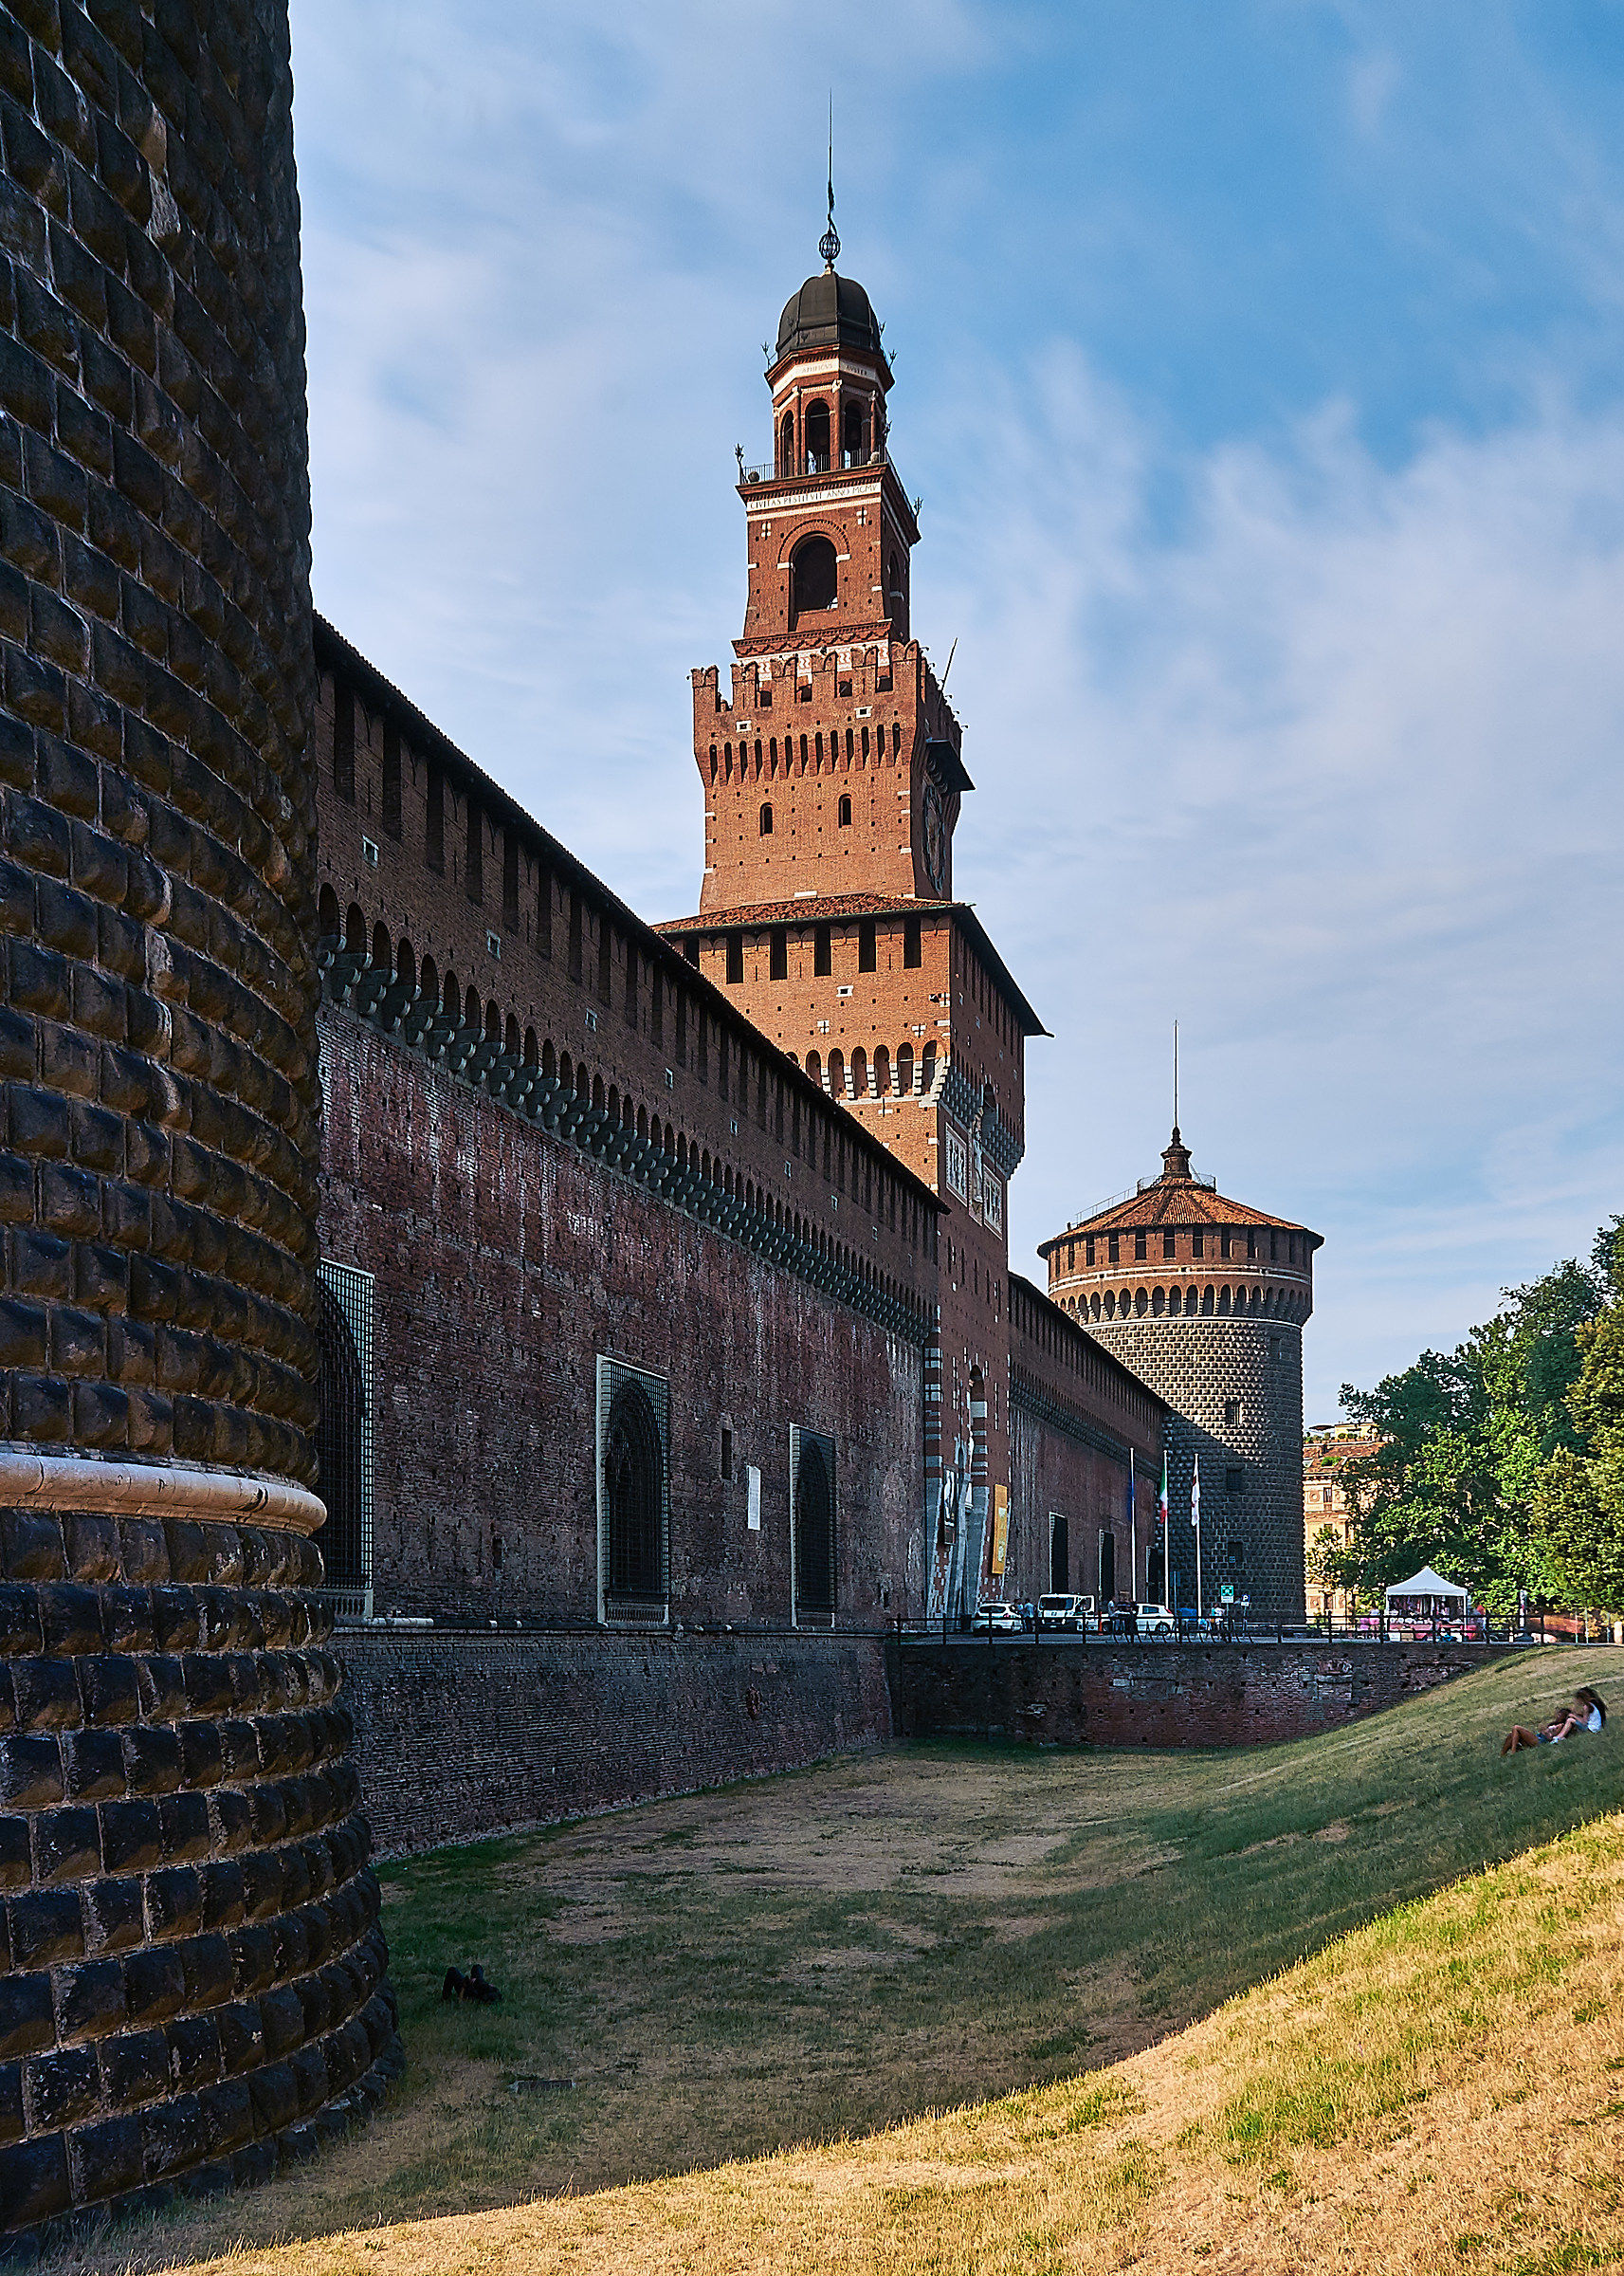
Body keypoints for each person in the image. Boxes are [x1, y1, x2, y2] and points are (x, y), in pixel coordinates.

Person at [1501, 1687, 1607, 1755]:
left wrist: (1573, 1716)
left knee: (1516, 1728)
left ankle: (1513, 1752)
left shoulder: (1562, 1724)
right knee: (1512, 1735)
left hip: (1540, 1741)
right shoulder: (1590, 1706)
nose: (1558, 1715)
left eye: (1560, 1714)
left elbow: (1584, 1722)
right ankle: (1503, 1755)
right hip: (1539, 1736)